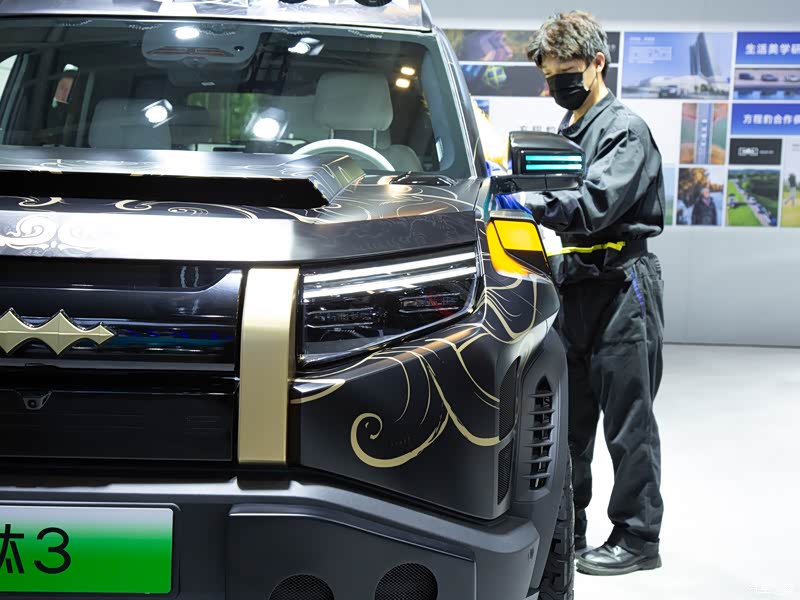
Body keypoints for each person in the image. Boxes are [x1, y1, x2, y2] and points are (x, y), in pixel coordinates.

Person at [525, 11, 665, 576]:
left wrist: (529, 204)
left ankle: (638, 537)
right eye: (548, 77)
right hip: (576, 285)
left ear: (597, 64)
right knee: (570, 421)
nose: (554, 86)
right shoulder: (570, 130)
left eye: (564, 75)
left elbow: (594, 205)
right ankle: (570, 526)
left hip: (622, 286)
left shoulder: (624, 131)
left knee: (629, 421)